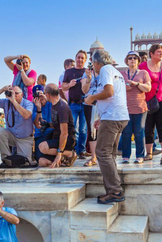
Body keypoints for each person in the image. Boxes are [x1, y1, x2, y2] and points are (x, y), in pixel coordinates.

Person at [84, 49, 129, 204]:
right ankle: (114, 189)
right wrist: (102, 118)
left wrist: (92, 98)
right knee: (109, 154)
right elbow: (113, 96)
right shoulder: (115, 71)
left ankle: (115, 191)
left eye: (92, 63)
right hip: (118, 116)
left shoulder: (104, 69)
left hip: (113, 117)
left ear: (97, 62)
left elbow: (109, 92)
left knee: (102, 153)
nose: (93, 67)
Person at [0, 85, 34, 165]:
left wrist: (14, 102)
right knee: (0, 131)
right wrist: (2, 90)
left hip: (24, 138)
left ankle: (16, 159)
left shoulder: (27, 103)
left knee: (24, 162)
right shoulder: (6, 102)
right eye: (12, 93)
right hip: (11, 136)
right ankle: (6, 158)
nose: (13, 95)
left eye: (16, 93)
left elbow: (26, 115)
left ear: (22, 94)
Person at [120, 51, 151, 164]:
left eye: (134, 58)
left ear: (138, 60)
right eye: (130, 58)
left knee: (139, 132)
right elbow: (116, 88)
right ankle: (126, 156)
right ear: (127, 61)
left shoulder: (143, 73)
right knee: (126, 132)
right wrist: (124, 87)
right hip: (125, 108)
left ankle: (140, 156)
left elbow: (148, 88)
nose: (132, 60)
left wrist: (136, 84)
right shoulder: (122, 74)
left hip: (140, 107)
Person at [139, 44, 162, 163]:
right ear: (151, 53)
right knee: (148, 128)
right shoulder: (143, 66)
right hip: (147, 101)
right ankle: (149, 153)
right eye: (158, 52)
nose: (161, 54)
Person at [36, 84, 77, 168]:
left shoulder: (62, 107)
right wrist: (48, 124)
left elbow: (64, 133)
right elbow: (57, 124)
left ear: (47, 95)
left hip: (67, 140)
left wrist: (59, 153)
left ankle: (69, 153)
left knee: (42, 147)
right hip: (57, 137)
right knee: (41, 162)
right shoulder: (54, 104)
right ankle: (63, 159)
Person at [61, 50, 89, 159]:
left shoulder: (87, 72)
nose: (80, 60)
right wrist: (70, 84)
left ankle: (81, 150)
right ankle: (71, 150)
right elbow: (63, 87)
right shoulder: (69, 72)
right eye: (79, 57)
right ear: (75, 58)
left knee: (83, 129)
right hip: (73, 104)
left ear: (85, 60)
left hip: (85, 104)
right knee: (72, 128)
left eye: (82, 58)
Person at [32, 85, 53, 162]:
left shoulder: (51, 102)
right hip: (40, 135)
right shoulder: (33, 106)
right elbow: (38, 125)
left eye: (41, 94)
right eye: (37, 96)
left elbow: (63, 103)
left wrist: (46, 97)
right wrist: (39, 109)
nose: (40, 98)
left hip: (53, 134)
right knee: (41, 160)